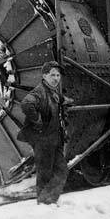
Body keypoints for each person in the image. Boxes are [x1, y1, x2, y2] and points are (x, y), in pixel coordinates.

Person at [18, 61, 69, 205]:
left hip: (55, 139)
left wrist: (67, 101)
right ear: (45, 75)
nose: (56, 78)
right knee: (45, 173)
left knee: (62, 171)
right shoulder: (39, 92)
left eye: (58, 75)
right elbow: (26, 104)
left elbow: (57, 101)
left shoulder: (53, 91)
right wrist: (39, 123)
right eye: (52, 75)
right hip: (43, 140)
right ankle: (44, 203)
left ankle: (48, 201)